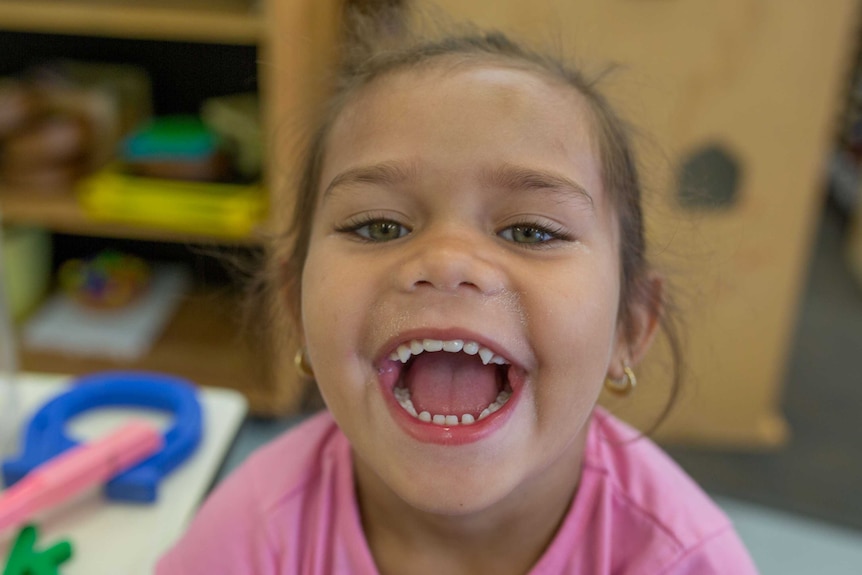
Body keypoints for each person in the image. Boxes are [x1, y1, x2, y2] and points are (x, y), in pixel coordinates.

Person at [156, 8, 758, 574]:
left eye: (530, 230)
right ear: (296, 306)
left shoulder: (681, 559)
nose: (446, 262)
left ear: (629, 325)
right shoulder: (253, 534)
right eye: (379, 226)